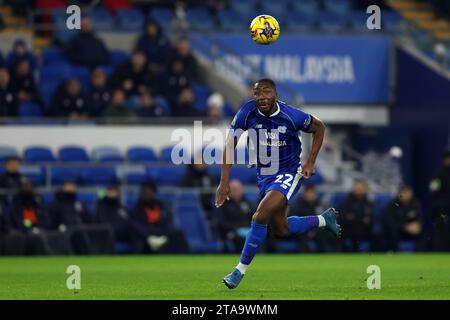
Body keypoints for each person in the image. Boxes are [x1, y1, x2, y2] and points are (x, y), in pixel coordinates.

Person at [216, 78, 341, 289]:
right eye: (257, 93)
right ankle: (323, 220)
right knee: (280, 230)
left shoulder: (292, 115)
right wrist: (223, 182)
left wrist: (310, 162)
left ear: (275, 94)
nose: (262, 97)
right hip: (264, 176)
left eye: (266, 92)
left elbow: (319, 128)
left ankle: (238, 271)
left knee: (260, 215)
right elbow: (230, 145)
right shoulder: (246, 113)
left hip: (289, 173)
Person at [47, 180, 114, 254]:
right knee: (79, 234)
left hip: (81, 229)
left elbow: (88, 218)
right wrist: (59, 226)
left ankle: (103, 255)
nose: (71, 188)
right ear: (64, 187)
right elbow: (51, 221)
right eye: (69, 185)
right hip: (66, 231)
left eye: (73, 185)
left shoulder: (79, 203)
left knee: (106, 229)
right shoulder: (56, 205)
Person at [130, 181, 188, 253]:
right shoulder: (137, 207)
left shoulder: (161, 205)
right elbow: (136, 224)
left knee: (178, 234)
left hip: (160, 229)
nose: (147, 193)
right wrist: (148, 235)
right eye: (145, 191)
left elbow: (167, 219)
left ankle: (184, 256)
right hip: (146, 231)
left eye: (150, 191)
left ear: (154, 192)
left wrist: (159, 224)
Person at [291, 185, 337, 252]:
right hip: (303, 231)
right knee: (302, 241)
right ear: (304, 194)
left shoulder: (319, 205)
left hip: (317, 230)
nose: (311, 195)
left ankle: (327, 256)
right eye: (309, 193)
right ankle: (304, 258)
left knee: (326, 235)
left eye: (312, 193)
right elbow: (294, 221)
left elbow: (325, 219)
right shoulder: (298, 206)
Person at [95, 185, 136, 252]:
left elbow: (128, 219)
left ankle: (138, 254)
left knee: (134, 230)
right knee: (108, 233)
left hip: (123, 232)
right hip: (109, 232)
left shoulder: (121, 207)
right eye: (110, 191)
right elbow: (102, 221)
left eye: (114, 191)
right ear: (107, 193)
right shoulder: (102, 207)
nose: (112, 193)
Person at [216, 179, 253, 252]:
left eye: (238, 189)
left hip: (247, 230)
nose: (237, 191)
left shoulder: (247, 203)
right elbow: (221, 221)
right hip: (231, 232)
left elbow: (254, 217)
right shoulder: (223, 204)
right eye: (234, 189)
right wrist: (236, 229)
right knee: (240, 239)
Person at [383, 186, 424, 252]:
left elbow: (421, 219)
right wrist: (405, 227)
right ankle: (396, 253)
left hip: (412, 231)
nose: (406, 195)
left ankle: (419, 253)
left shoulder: (416, 204)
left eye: (408, 193)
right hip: (399, 230)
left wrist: (417, 225)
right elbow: (390, 222)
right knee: (393, 232)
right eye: (404, 193)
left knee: (423, 232)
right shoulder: (393, 205)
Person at [339, 179, 374, 252]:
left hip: (365, 230)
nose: (359, 190)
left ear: (364, 189)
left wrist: (355, 217)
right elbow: (343, 217)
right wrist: (361, 218)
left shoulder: (368, 203)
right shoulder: (346, 202)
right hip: (349, 229)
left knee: (377, 235)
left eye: (361, 188)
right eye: (357, 188)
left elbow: (371, 218)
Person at [430, 151, 450, 251]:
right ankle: (440, 251)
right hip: (442, 209)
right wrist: (439, 205)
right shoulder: (439, 174)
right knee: (442, 232)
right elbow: (433, 190)